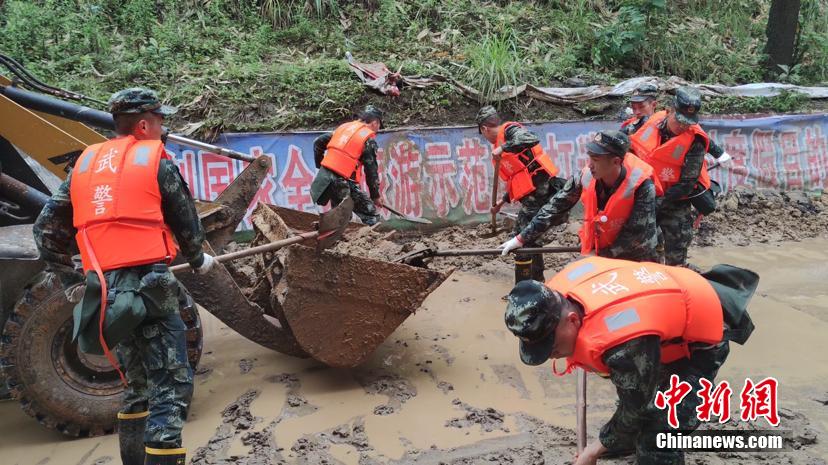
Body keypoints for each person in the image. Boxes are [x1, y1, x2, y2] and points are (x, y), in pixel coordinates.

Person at [33, 88, 212, 465]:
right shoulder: (154, 160)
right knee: (171, 387)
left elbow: (45, 229)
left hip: (110, 296)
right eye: (161, 121)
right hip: (151, 291)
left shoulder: (85, 165)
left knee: (136, 384)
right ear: (145, 124)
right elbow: (186, 220)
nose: (163, 128)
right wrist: (199, 259)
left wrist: (73, 282)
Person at [505, 256, 758, 465]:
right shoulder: (556, 296)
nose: (551, 354)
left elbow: (638, 405)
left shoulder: (622, 341)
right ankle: (622, 439)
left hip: (701, 342)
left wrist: (593, 450)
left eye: (552, 346)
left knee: (659, 435)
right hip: (662, 322)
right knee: (632, 413)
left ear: (572, 320)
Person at [503, 130, 661, 263]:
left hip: (638, 257)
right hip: (602, 252)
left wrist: (599, 257)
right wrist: (520, 238)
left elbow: (635, 235)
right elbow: (555, 207)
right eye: (590, 157)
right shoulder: (586, 176)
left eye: (596, 159)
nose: (590, 164)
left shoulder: (642, 185)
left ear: (616, 161)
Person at [476, 105, 566, 283]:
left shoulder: (509, 130)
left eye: (482, 134)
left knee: (520, 237)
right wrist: (501, 203)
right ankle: (537, 282)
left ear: (484, 129)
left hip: (540, 193)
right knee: (531, 238)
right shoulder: (500, 144)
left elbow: (530, 138)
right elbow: (517, 179)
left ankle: (523, 287)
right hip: (532, 196)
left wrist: (503, 148)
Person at [629, 87, 715, 266]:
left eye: (688, 123)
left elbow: (686, 184)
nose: (683, 126)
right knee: (639, 253)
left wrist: (657, 203)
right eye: (679, 120)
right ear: (670, 111)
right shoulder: (649, 124)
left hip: (675, 201)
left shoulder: (696, 141)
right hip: (644, 196)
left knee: (675, 257)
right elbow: (629, 149)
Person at [311, 105, 385, 225]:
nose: (377, 130)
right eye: (379, 126)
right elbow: (371, 172)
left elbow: (318, 142)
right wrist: (375, 196)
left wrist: (322, 167)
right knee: (370, 213)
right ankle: (375, 242)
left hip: (327, 179)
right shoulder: (367, 140)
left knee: (341, 215)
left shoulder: (344, 129)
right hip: (341, 180)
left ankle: (334, 236)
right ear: (375, 122)